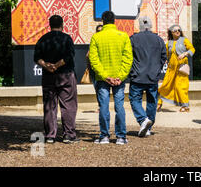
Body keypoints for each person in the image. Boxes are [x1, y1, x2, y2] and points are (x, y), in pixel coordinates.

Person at [89, 11, 133, 145]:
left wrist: (105, 76)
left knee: (103, 106)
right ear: (114, 20)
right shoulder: (123, 36)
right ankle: (121, 137)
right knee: (119, 106)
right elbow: (128, 58)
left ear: (102, 21)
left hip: (103, 79)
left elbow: (93, 59)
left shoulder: (96, 37)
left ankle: (104, 136)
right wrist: (120, 76)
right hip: (119, 79)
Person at [33, 15, 79, 144]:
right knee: (68, 104)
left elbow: (37, 57)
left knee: (49, 105)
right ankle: (69, 135)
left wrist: (47, 66)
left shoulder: (43, 39)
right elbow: (69, 56)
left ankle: (50, 135)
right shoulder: (67, 38)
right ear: (62, 25)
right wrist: (57, 65)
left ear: (49, 24)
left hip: (48, 76)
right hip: (66, 75)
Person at [128, 16, 167, 137]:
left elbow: (128, 57)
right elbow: (164, 57)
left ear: (139, 25)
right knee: (152, 101)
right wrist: (157, 69)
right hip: (152, 76)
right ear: (151, 26)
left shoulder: (133, 39)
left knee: (135, 100)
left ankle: (143, 120)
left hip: (137, 75)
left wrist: (130, 71)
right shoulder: (159, 40)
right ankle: (148, 126)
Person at [157, 24, 195, 112]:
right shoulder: (169, 42)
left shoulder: (184, 40)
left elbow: (192, 49)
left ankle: (185, 106)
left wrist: (185, 54)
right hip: (171, 69)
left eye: (179, 30)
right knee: (165, 85)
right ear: (171, 32)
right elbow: (166, 54)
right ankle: (159, 104)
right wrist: (165, 60)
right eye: (175, 30)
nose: (177, 31)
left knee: (180, 86)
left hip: (182, 68)